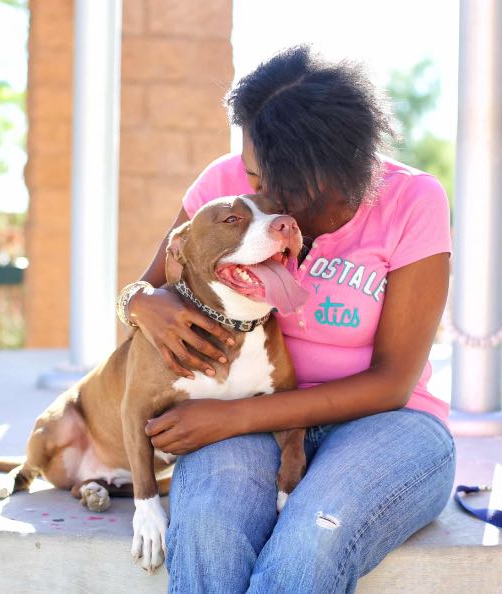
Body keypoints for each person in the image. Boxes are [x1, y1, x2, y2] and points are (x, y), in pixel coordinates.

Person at [120, 45, 455, 593]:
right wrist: (137, 303)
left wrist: (231, 420)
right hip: (246, 414)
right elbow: (152, 285)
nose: (251, 189)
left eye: (266, 179)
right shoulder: (226, 188)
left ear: (325, 169)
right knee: (206, 533)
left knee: (313, 540)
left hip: (389, 426)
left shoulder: (413, 200)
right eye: (249, 170)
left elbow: (393, 383)